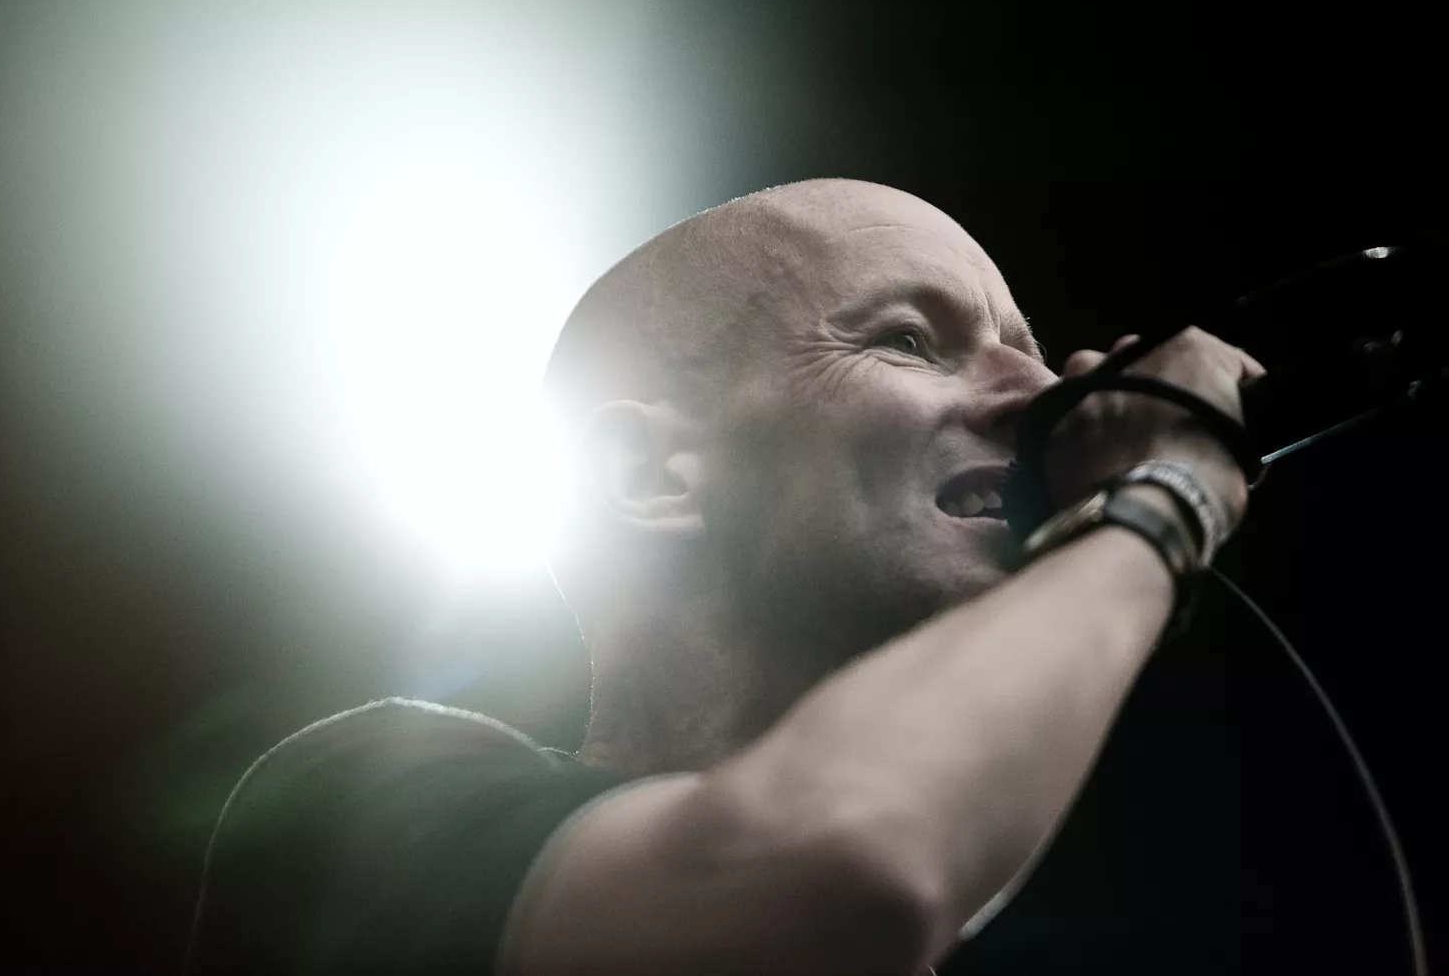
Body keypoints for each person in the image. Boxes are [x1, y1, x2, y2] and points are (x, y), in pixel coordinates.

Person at [185, 178, 1264, 975]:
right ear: (654, 472)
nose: (1038, 396)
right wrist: (1161, 503)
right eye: (908, 339)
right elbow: (841, 866)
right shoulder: (356, 812)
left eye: (1027, 349)